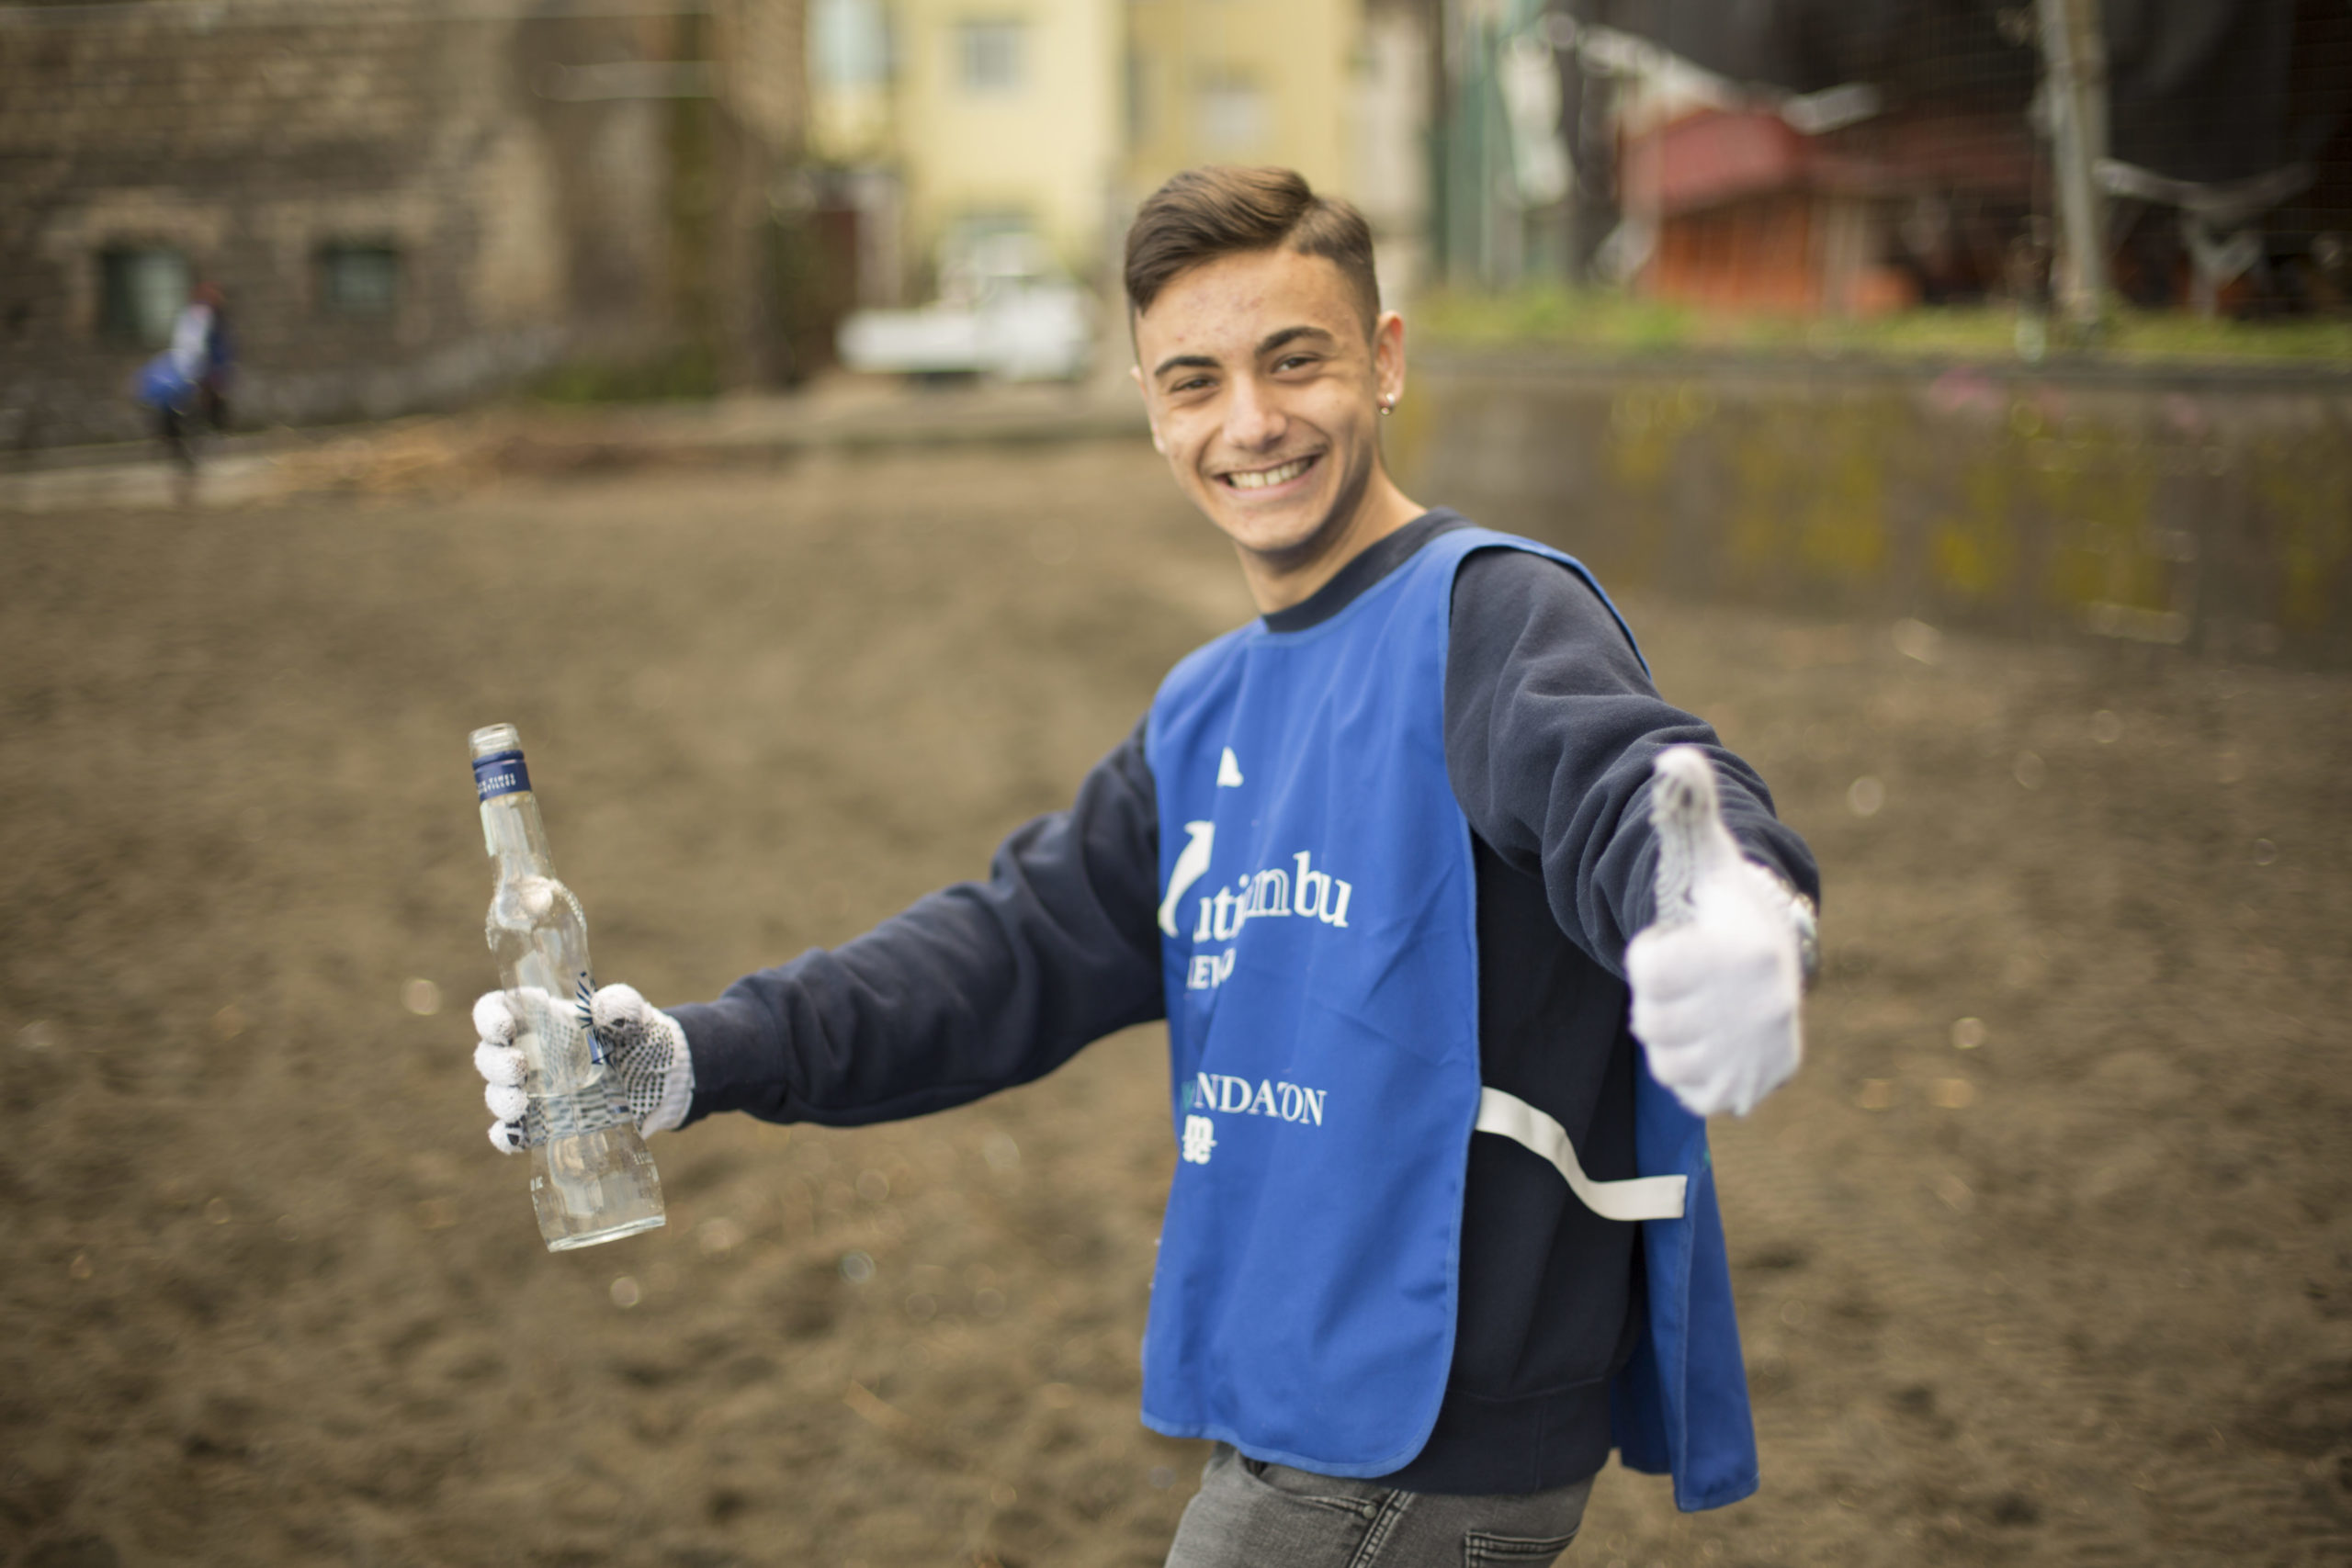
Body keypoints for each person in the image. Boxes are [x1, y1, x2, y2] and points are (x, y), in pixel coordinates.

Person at [469, 166, 1819, 1567]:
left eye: (1294, 360)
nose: (1250, 421)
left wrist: (1731, 906)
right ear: (1151, 407)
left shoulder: (1487, 612)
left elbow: (1633, 780)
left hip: (1411, 1435)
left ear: (1386, 358)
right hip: (1302, 1395)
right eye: (1195, 380)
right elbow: (1011, 948)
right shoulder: (1205, 708)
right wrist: (694, 1054)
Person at [133, 280, 233, 500]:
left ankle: (190, 453)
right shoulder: (198, 318)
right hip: (194, 376)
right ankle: (183, 454)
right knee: (186, 416)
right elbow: (193, 351)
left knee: (201, 416)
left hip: (199, 376)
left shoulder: (206, 319)